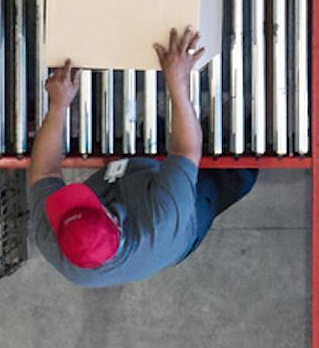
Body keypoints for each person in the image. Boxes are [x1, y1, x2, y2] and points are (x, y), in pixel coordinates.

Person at [38, 27, 257, 289]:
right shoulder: (163, 222)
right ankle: (241, 147)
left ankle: (160, 137)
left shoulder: (53, 235)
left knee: (154, 137)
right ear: (116, 223)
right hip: (188, 219)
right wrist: (177, 80)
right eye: (91, 204)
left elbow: (45, 171)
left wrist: (58, 106)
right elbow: (185, 150)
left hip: (131, 178)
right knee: (231, 168)